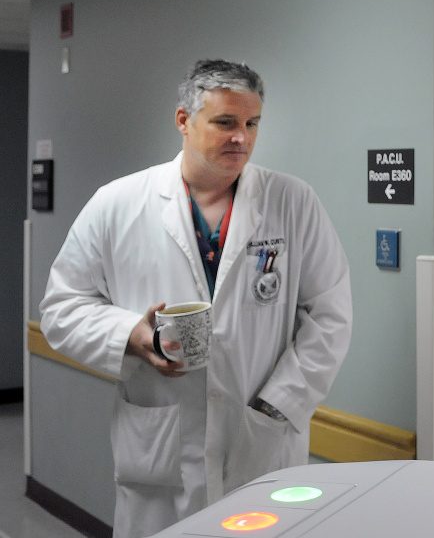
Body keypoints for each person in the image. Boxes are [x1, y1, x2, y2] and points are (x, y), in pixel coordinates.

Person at [39, 59, 352, 537]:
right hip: (161, 447)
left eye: (252, 124)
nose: (241, 138)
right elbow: (61, 309)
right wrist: (131, 335)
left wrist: (276, 406)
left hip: (261, 437)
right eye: (225, 122)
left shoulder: (292, 201)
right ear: (183, 121)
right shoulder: (117, 203)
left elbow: (330, 315)